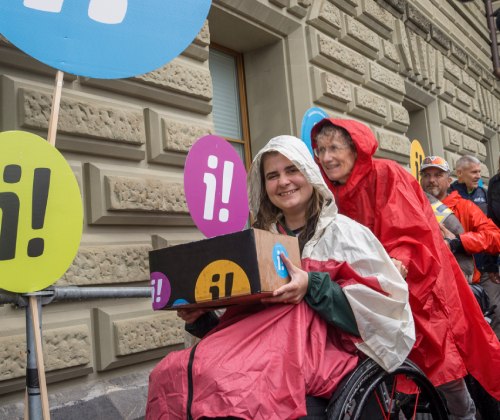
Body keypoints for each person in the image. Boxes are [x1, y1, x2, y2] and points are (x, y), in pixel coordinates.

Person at [145, 135, 415, 419]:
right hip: (262, 357)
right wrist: (200, 317)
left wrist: (311, 285)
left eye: (291, 170)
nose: (283, 182)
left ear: (309, 173)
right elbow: (239, 329)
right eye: (272, 176)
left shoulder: (349, 235)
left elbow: (381, 317)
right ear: (264, 186)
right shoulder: (256, 243)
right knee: (173, 373)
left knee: (233, 389)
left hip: (327, 359)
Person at [311, 118, 500, 419]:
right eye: (321, 150)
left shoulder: (387, 174)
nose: (327, 156)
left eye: (334, 147)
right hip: (372, 289)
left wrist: (397, 262)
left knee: (440, 356)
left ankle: (464, 414)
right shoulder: (329, 191)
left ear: (354, 148)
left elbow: (410, 230)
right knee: (388, 362)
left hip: (419, 281)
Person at [419, 155, 500, 286]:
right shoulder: (414, 207)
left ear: (449, 181)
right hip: (425, 284)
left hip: (462, 284)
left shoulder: (465, 207)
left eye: (438, 175)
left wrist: (459, 242)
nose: (431, 180)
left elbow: (495, 237)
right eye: (426, 175)